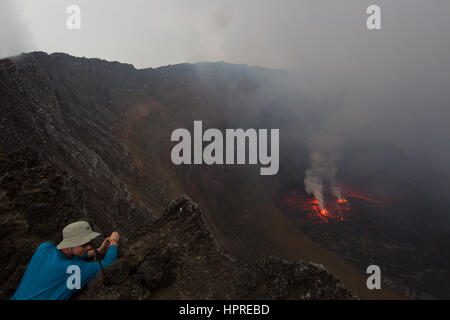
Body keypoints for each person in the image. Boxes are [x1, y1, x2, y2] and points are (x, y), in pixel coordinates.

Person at [11, 221, 119, 300]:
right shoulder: (74, 270)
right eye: (84, 244)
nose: (89, 247)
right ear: (70, 244)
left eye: (90, 242)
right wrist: (114, 242)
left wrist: (98, 251)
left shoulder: (44, 248)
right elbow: (108, 265)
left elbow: (68, 255)